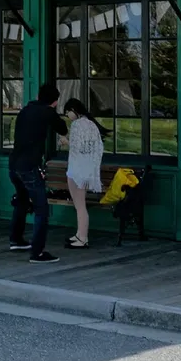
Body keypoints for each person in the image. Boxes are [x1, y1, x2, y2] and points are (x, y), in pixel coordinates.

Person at [8, 81, 67, 263]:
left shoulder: (25, 110)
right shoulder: (47, 111)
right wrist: (53, 110)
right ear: (55, 101)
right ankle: (38, 253)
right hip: (30, 166)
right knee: (41, 208)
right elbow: (62, 128)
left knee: (22, 200)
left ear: (37, 97)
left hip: (13, 165)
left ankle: (16, 239)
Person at [61, 98, 105, 248]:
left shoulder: (77, 125)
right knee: (80, 205)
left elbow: (77, 146)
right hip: (87, 170)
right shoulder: (91, 124)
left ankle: (82, 237)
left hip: (76, 171)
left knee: (79, 205)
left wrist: (65, 141)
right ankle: (79, 234)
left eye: (67, 111)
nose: (67, 115)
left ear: (74, 110)